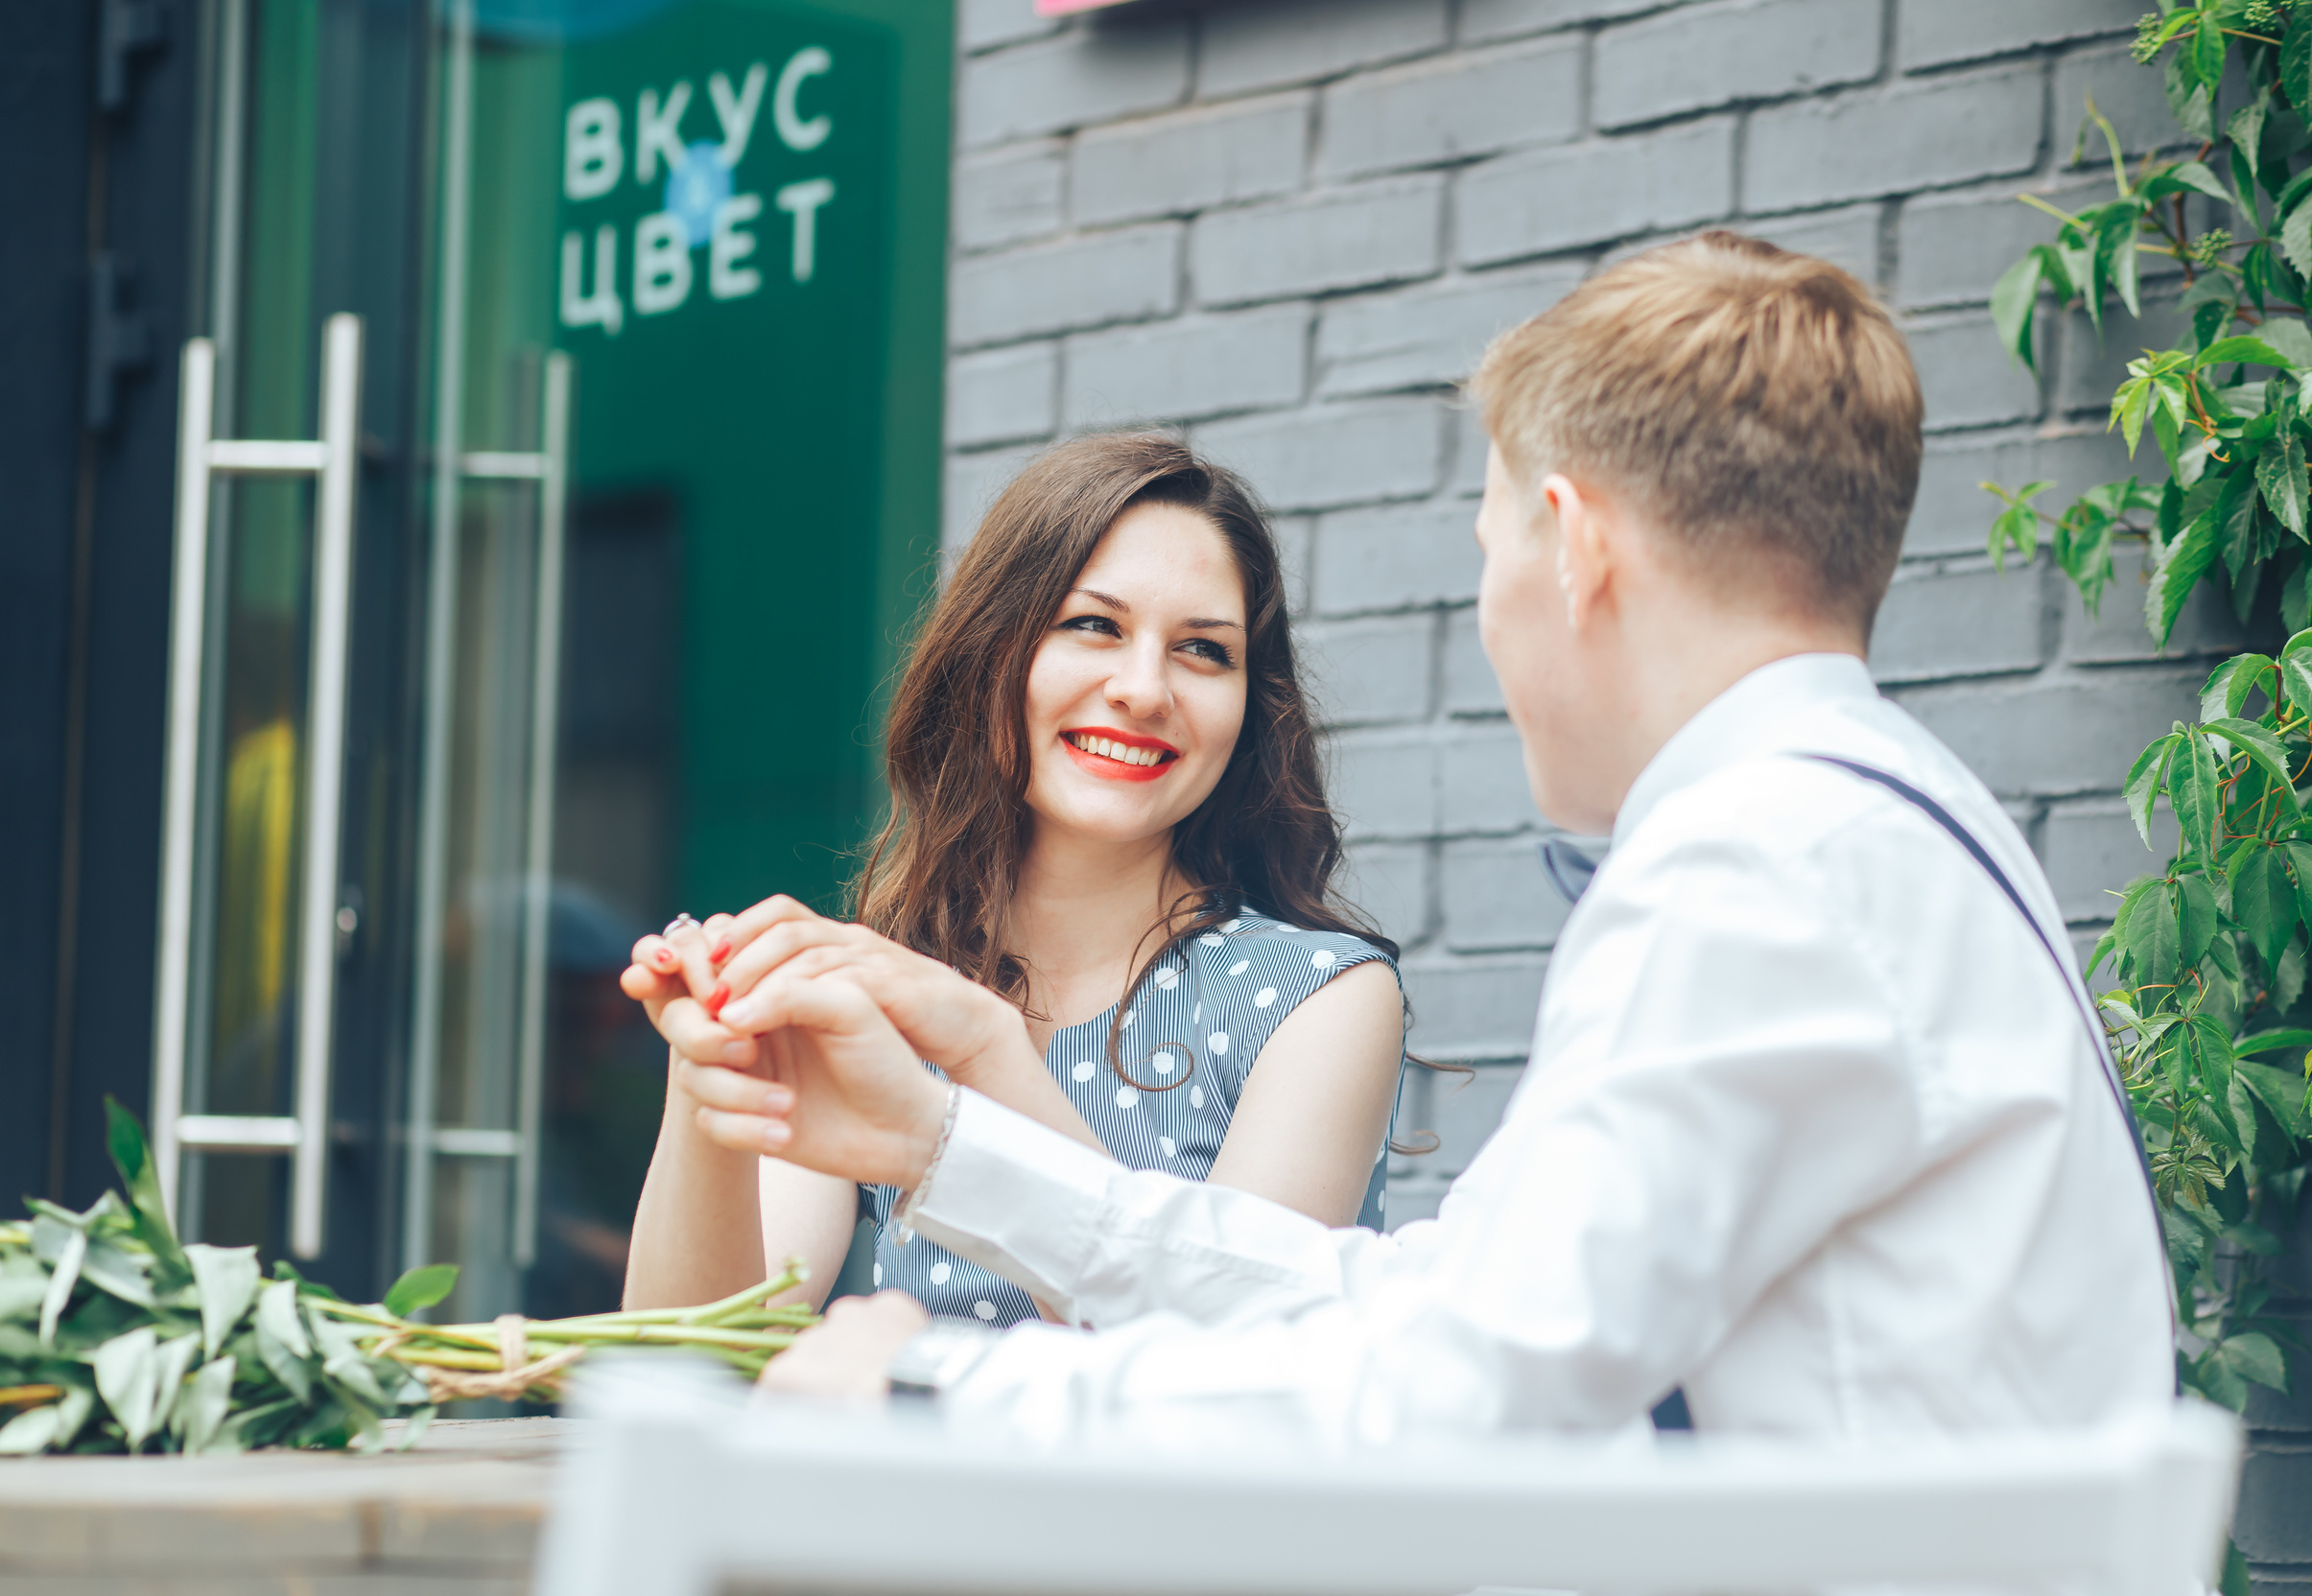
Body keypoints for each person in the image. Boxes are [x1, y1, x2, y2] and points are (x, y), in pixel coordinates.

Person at [658, 232, 2175, 1440]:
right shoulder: (1865, 818)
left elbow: (1468, 1395)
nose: (1489, 603)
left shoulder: (1760, 870)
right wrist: (941, 1139)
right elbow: (1435, 1302)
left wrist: (939, 1392)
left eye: (1491, 541)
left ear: (1574, 545)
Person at [619, 434, 1408, 1326]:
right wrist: (708, 1073)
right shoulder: (882, 1002)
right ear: (991, 652)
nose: (1144, 690)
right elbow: (687, 1361)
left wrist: (988, 1055)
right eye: (1094, 625)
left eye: (1203, 649)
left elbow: (1223, 1369)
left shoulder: (1321, 1001)